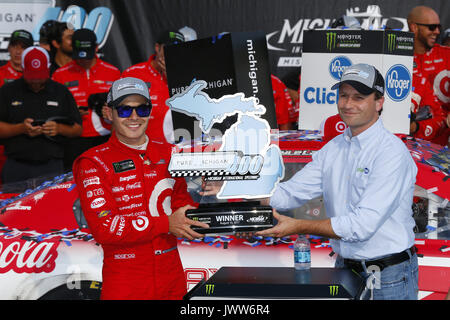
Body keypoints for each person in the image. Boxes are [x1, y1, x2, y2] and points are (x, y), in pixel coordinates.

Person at [256, 64, 419, 300]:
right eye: (343, 95)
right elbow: (288, 194)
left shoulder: (390, 152)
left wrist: (298, 225)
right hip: (345, 269)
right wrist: (235, 189)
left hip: (388, 275)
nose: (348, 104)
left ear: (379, 102)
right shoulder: (333, 148)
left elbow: (361, 226)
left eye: (359, 97)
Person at [73, 77, 208, 300]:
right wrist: (167, 223)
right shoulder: (93, 162)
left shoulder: (171, 154)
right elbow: (105, 227)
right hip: (126, 282)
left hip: (172, 278)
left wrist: (210, 194)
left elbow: (183, 207)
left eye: (142, 109)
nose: (134, 117)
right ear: (109, 113)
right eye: (125, 110)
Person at [0, 46, 82, 190]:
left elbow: (77, 129)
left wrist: (58, 128)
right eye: (32, 77)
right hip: (16, 166)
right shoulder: (7, 91)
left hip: (51, 166)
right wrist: (21, 128)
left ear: (49, 68)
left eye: (40, 77)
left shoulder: (61, 92)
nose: (36, 82)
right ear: (23, 68)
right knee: (12, 210)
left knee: (51, 210)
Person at [52, 28, 121, 171]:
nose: (83, 60)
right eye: (79, 55)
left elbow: (123, 107)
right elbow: (51, 109)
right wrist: (69, 113)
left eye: (87, 56)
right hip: (74, 140)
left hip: (105, 137)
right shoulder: (60, 74)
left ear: (96, 48)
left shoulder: (113, 72)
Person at [121, 30, 185, 144]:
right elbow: (119, 113)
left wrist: (173, 78)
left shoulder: (186, 76)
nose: (171, 53)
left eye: (176, 49)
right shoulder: (132, 74)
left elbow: (191, 113)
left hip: (175, 147)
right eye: (167, 48)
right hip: (141, 146)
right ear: (157, 47)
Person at [407, 5, 450, 146]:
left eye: (438, 27)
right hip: (407, 141)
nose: (437, 32)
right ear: (414, 27)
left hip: (443, 144)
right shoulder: (398, 57)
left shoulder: (446, 55)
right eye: (432, 27)